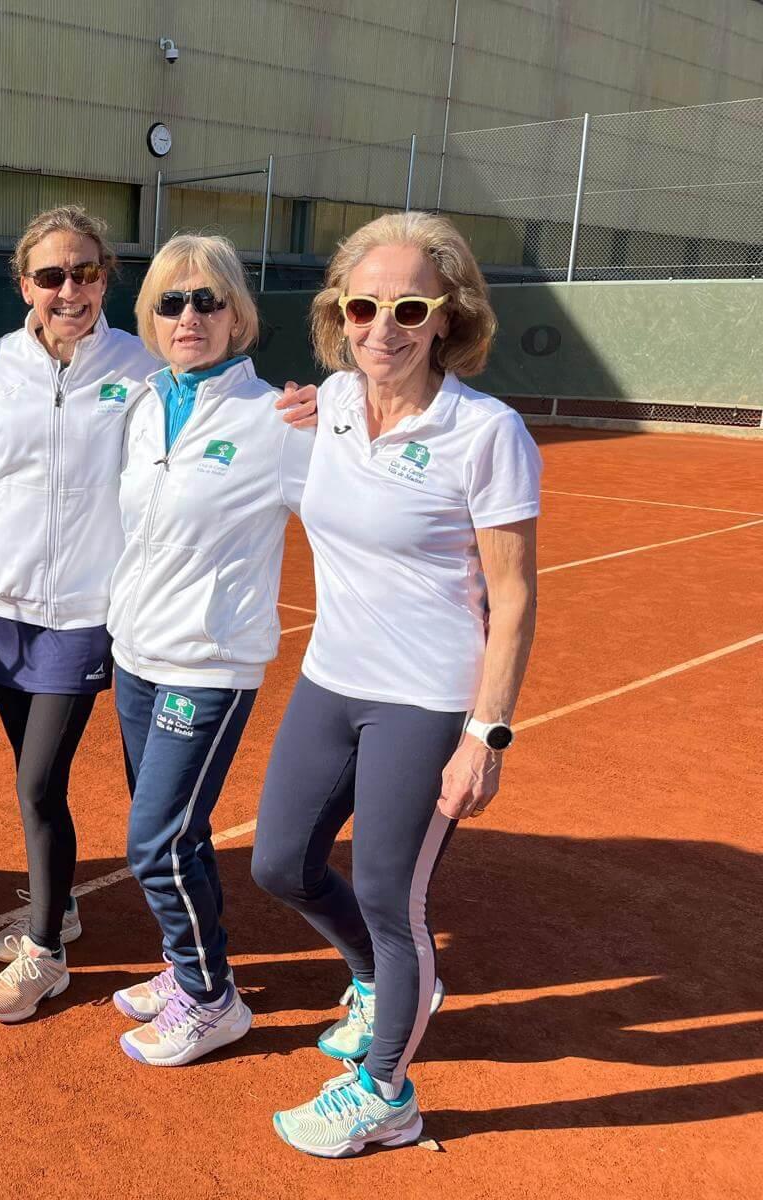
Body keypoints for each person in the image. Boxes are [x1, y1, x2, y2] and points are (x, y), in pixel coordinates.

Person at [0, 207, 317, 1023]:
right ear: (26, 285)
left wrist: (323, 409)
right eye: (50, 276)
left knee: (45, 784)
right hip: (19, 612)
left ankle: (48, 950)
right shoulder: (4, 370)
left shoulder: (140, 373)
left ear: (105, 280)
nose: (68, 290)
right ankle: (97, 921)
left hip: (96, 616)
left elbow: (335, 485)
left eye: (85, 273)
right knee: (67, 791)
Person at [251, 212, 539, 1156]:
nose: (385, 326)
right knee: (280, 865)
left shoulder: (486, 434)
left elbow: (514, 595)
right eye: (363, 305)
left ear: (447, 316)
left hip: (427, 698)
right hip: (331, 680)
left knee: (389, 894)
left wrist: (485, 736)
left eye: (409, 306)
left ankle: (387, 1092)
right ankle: (379, 979)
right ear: (340, 311)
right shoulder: (331, 402)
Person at [106, 234, 314, 1066]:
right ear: (152, 319)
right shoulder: (145, 404)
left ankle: (210, 997)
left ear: (238, 315)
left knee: (155, 840)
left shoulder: (277, 420)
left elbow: (349, 512)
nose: (189, 316)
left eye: (208, 300)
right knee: (174, 834)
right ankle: (184, 963)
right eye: (171, 301)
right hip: (137, 653)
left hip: (207, 662)